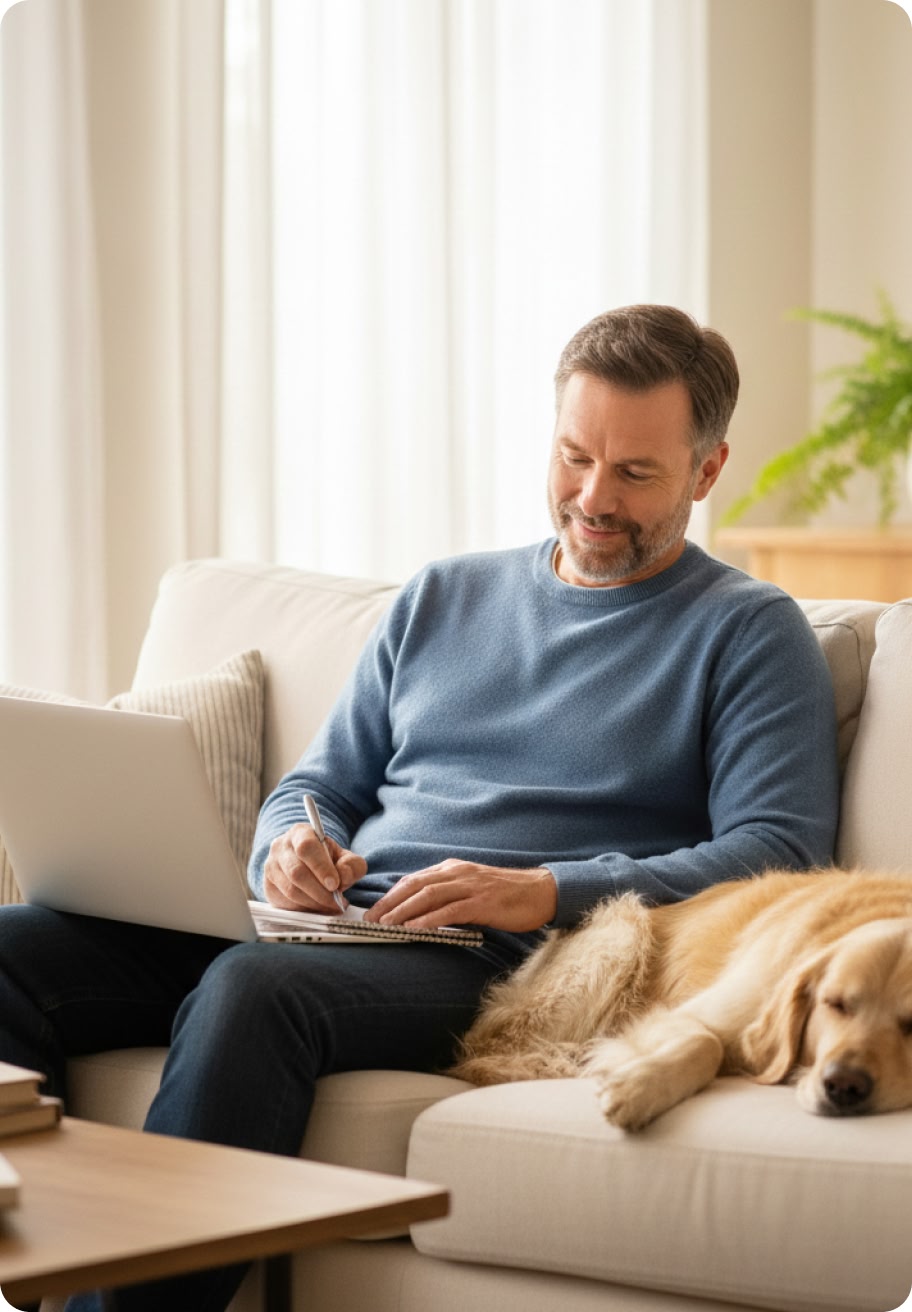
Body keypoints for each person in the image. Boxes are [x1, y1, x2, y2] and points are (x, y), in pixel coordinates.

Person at [0, 305, 839, 1311]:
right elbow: (320, 783)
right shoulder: (442, 596)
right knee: (18, 949)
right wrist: (292, 844)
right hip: (331, 923)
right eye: (574, 456)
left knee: (254, 989)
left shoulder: (747, 631)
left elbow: (777, 853)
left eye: (636, 473)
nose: (591, 496)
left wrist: (542, 891)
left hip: (509, 959)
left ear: (708, 471)